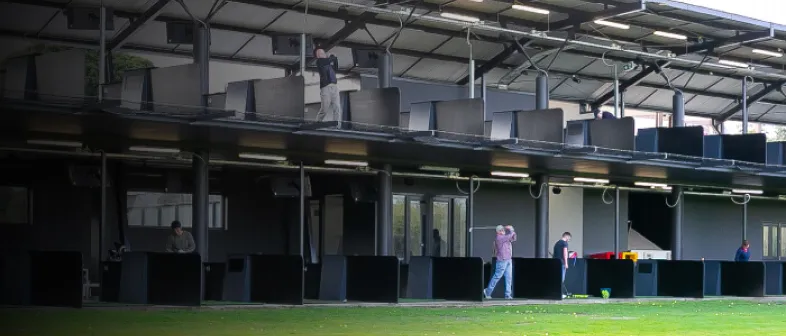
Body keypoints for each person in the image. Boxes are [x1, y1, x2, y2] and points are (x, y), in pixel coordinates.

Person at [483, 225, 517, 300]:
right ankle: (487, 292)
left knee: (509, 278)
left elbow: (514, 238)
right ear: (498, 232)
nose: (503, 231)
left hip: (508, 260)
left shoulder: (505, 238)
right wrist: (511, 229)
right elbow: (508, 236)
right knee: (497, 276)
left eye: (503, 229)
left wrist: (512, 231)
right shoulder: (499, 238)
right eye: (501, 230)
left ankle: (508, 295)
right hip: (502, 260)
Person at [314, 48, 342, 123]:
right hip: (325, 87)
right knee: (325, 108)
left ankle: (337, 125)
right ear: (317, 56)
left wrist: (335, 58)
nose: (322, 54)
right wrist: (332, 57)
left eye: (323, 53)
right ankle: (317, 123)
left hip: (334, 86)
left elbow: (336, 68)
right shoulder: (319, 62)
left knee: (337, 107)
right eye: (320, 53)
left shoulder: (329, 63)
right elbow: (328, 60)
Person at [553, 232, 572, 298]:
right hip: (562, 263)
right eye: (569, 239)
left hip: (556, 263)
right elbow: (565, 253)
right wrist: (566, 263)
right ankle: (560, 294)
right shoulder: (564, 243)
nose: (569, 240)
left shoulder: (557, 243)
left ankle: (556, 293)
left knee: (557, 278)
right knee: (561, 279)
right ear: (567, 237)